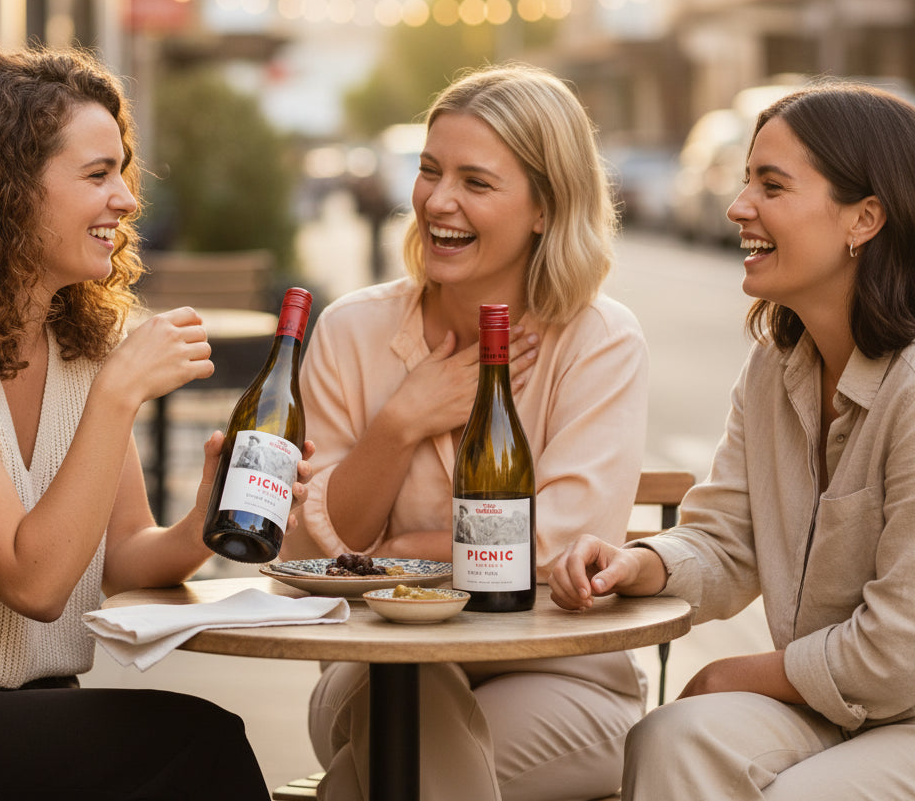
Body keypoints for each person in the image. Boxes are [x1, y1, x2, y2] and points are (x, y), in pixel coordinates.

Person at [0, 47, 312, 799]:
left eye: (122, 172)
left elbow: (122, 557)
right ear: (4, 190)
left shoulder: (78, 348)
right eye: (96, 175)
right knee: (198, 745)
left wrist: (202, 518)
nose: (125, 198)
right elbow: (36, 582)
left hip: (36, 714)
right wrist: (117, 398)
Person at [281, 63, 651, 801]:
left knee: (383, 777)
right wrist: (401, 421)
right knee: (408, 717)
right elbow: (312, 554)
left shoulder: (600, 342)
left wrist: (390, 554)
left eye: (476, 182)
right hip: (375, 666)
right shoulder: (354, 330)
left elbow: (551, 550)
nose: (437, 201)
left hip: (559, 676)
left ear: (545, 207)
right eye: (428, 171)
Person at [549, 82, 915, 800]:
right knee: (672, 739)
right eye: (746, 180)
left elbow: (900, 646)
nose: (737, 207)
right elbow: (725, 540)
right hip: (839, 708)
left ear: (864, 218)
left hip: (900, 705)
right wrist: (640, 563)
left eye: (770, 185)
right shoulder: (777, 367)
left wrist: (733, 673)